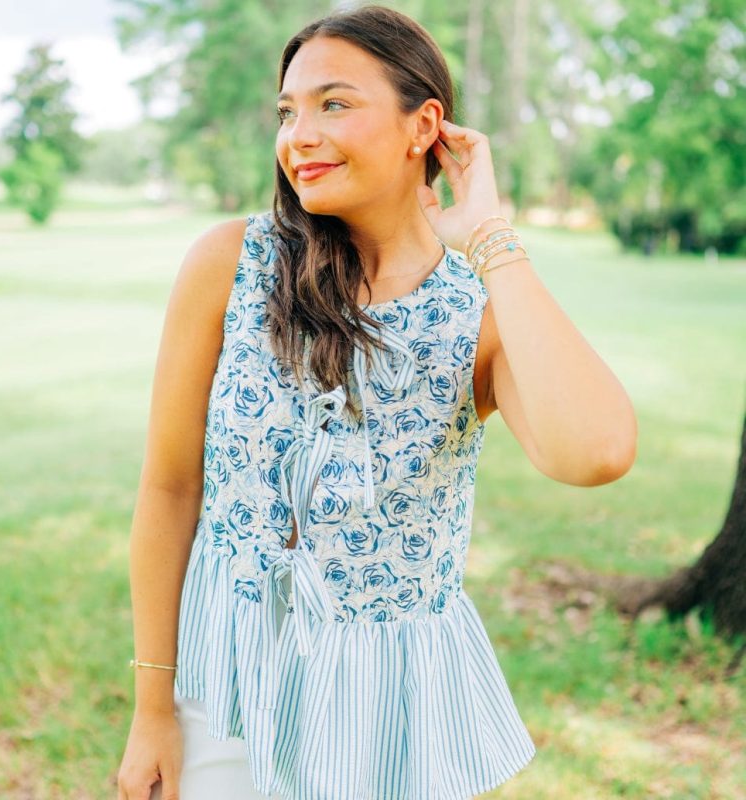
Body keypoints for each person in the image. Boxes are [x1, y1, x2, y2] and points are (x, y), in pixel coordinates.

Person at [116, 4, 638, 800]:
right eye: (288, 112)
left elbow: (596, 452)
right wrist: (153, 708)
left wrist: (491, 237)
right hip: (222, 688)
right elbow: (169, 487)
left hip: (392, 710)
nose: (300, 136)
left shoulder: (479, 312)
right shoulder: (231, 263)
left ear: (423, 125)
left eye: (334, 104)